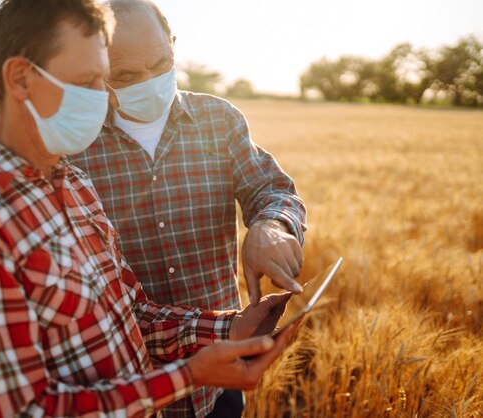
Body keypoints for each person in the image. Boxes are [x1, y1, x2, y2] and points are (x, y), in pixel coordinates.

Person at [0, 1, 302, 417]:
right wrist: (189, 375)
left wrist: (228, 328)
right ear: (20, 78)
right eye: (93, 79)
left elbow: (128, 316)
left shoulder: (72, 184)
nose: (104, 98)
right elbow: (24, 411)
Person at [68, 1, 308, 416]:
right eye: (125, 76)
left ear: (174, 46)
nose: (148, 82)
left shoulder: (219, 119)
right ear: (96, 72)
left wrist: (270, 225)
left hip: (219, 381)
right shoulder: (73, 149)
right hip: (129, 390)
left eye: (161, 64)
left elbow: (270, 187)